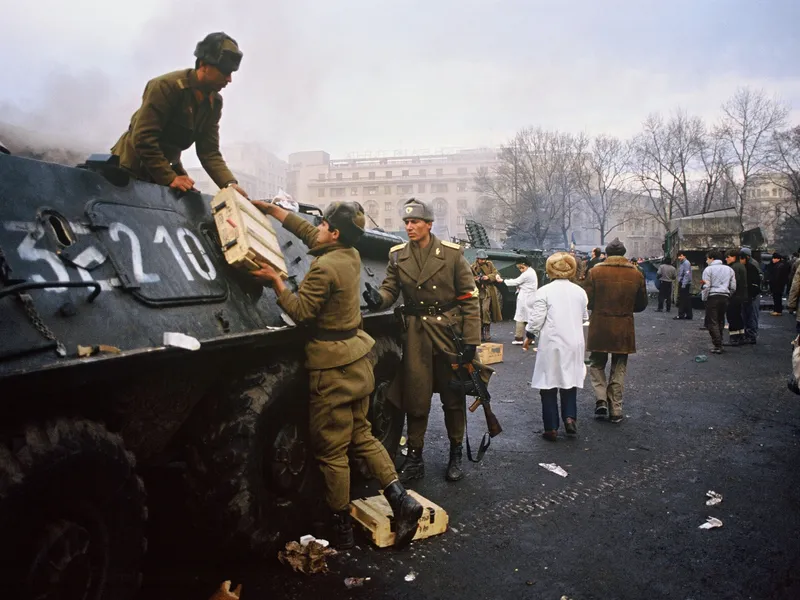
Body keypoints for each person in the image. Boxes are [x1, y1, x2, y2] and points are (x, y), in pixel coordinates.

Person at [249, 199, 422, 549]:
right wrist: (274, 211)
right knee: (363, 435)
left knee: (332, 451)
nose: (320, 229)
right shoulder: (351, 255)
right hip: (357, 359)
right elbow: (311, 231)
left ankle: (338, 525)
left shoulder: (324, 269)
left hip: (332, 370)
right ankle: (402, 500)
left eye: (325, 225)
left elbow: (301, 312)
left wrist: (277, 281)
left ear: (335, 232)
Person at [362, 198, 483, 483]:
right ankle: (415, 458)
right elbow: (391, 289)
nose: (409, 227)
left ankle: (455, 454)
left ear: (429, 224)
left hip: (449, 333)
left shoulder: (453, 255)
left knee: (453, 398)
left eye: (415, 222)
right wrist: (378, 299)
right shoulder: (397, 255)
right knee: (415, 397)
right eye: (406, 223)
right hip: (416, 335)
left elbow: (469, 299)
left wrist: (471, 341)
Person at [111, 32, 248, 198]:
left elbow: (209, 152)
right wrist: (170, 178)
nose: (229, 79)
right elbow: (143, 138)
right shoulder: (166, 87)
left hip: (164, 169)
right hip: (130, 170)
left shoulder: (214, 103)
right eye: (225, 72)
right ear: (204, 65)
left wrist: (229, 184)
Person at [583, 238, 648, 423]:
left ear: (607, 254)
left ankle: (601, 399)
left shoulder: (595, 271)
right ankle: (616, 408)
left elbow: (587, 299)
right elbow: (642, 303)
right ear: (624, 254)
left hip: (600, 325)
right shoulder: (636, 274)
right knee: (619, 366)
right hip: (624, 327)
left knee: (596, 363)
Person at [527, 253, 588, 441]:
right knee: (569, 380)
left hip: (552, 342)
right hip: (574, 342)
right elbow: (585, 317)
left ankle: (551, 427)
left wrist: (529, 335)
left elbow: (537, 320)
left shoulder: (544, 291)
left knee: (549, 382)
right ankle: (570, 417)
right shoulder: (580, 292)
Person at [700, 249, 736, 354]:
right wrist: (728, 294)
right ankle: (720, 341)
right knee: (721, 319)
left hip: (712, 297)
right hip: (724, 297)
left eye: (707, 259)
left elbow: (706, 286)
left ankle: (717, 345)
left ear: (712, 258)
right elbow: (733, 286)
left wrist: (704, 298)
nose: (706, 261)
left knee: (712, 321)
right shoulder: (729, 269)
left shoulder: (708, 270)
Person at [503, 257, 539, 348]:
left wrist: (502, 281)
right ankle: (531, 338)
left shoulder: (526, 274)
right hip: (531, 297)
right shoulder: (531, 271)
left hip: (525, 298)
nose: (521, 270)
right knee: (529, 317)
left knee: (520, 317)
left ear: (525, 265)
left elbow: (516, 282)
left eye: (521, 267)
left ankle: (518, 338)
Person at [471, 249, 504, 342]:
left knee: (485, 309)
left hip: (488, 290)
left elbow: (496, 274)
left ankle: (487, 330)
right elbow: (468, 277)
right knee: (479, 311)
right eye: (481, 259)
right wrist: (476, 279)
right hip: (478, 291)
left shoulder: (489, 265)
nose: (483, 261)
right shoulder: (473, 267)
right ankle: (481, 331)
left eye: (484, 259)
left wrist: (488, 277)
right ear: (477, 259)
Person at [724, 249, 748, 346]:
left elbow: (734, 283)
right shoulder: (741, 266)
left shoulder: (733, 268)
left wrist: (728, 294)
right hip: (741, 296)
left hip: (734, 296)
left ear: (734, 257)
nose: (726, 259)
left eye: (728, 257)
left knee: (732, 316)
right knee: (738, 316)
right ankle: (741, 336)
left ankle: (734, 338)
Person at [739, 247, 762, 343]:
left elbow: (757, 279)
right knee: (748, 315)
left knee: (752, 315)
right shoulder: (752, 263)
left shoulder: (752, 265)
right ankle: (749, 334)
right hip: (750, 294)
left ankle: (751, 335)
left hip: (752, 294)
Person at [675, 251, 693, 320]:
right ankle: (689, 315)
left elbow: (687, 274)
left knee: (682, 300)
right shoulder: (683, 263)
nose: (679, 258)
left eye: (680, 256)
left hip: (684, 284)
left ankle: (681, 314)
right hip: (684, 283)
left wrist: (683, 285)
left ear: (684, 256)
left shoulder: (686, 263)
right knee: (686, 300)